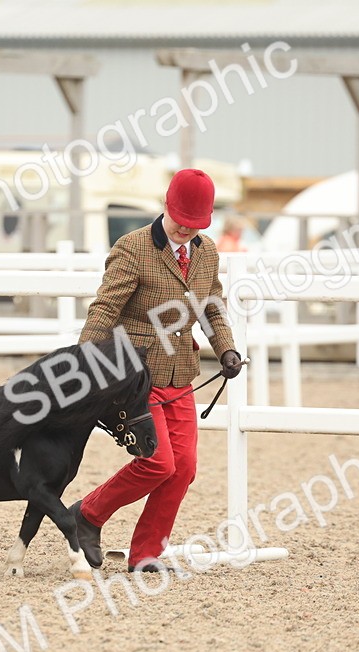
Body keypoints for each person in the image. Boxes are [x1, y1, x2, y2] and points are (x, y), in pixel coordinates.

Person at [70, 168, 243, 572]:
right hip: (135, 377)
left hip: (180, 374)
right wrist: (84, 360)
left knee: (183, 469)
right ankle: (88, 515)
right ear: (167, 206)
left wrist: (227, 349)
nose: (186, 229)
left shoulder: (206, 252)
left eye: (196, 222)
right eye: (182, 219)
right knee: (157, 463)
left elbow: (212, 305)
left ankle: (147, 554)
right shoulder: (133, 248)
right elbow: (106, 308)